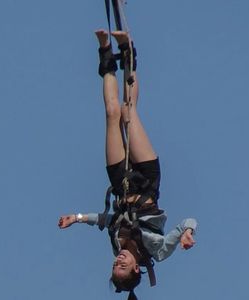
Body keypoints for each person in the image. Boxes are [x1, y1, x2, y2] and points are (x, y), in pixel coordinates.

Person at [58, 29, 198, 300]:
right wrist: (187, 234)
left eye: (115, 265)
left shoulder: (115, 244)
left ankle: (105, 52)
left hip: (119, 182)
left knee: (111, 114)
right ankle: (128, 53)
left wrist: (76, 218)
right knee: (127, 111)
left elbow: (109, 220)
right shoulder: (157, 251)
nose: (118, 260)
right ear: (136, 269)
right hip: (146, 177)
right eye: (123, 265)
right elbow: (189, 221)